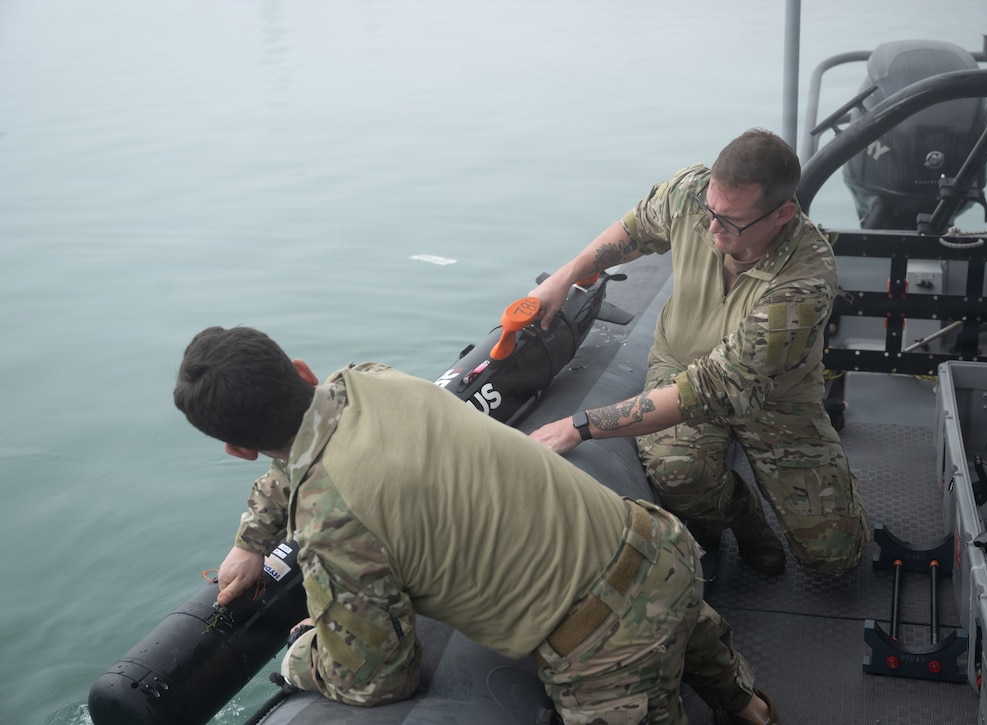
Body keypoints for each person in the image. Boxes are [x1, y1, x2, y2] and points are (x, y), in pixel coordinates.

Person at [174, 325, 782, 725]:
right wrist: (252, 539)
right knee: (726, 684)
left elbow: (376, 678)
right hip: (655, 545)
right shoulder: (366, 380)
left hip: (609, 645)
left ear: (238, 449)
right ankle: (749, 708)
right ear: (303, 372)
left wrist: (302, 654)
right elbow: (304, 453)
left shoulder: (333, 524)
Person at [528, 128, 870, 579]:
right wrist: (567, 275)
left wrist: (581, 425)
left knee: (836, 561)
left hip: (774, 398)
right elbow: (636, 229)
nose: (712, 228)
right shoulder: (692, 193)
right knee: (677, 470)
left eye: (731, 221)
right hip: (680, 365)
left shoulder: (803, 281)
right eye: (712, 211)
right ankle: (745, 518)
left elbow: (711, 388)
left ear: (783, 213)